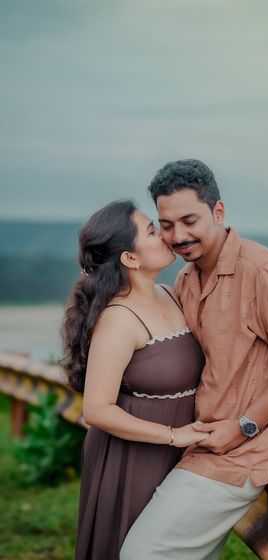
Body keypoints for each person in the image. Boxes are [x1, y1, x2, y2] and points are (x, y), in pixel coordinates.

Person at [121, 160, 268, 560]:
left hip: (243, 455)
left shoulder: (260, 269)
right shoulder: (186, 277)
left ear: (218, 212)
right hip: (201, 447)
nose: (177, 235)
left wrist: (243, 426)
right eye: (166, 224)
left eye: (189, 220)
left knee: (141, 554)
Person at [61, 199, 208, 560]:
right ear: (130, 258)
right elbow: (96, 410)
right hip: (132, 456)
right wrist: (174, 436)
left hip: (179, 452)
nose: (167, 236)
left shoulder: (169, 293)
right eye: (153, 231)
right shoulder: (119, 319)